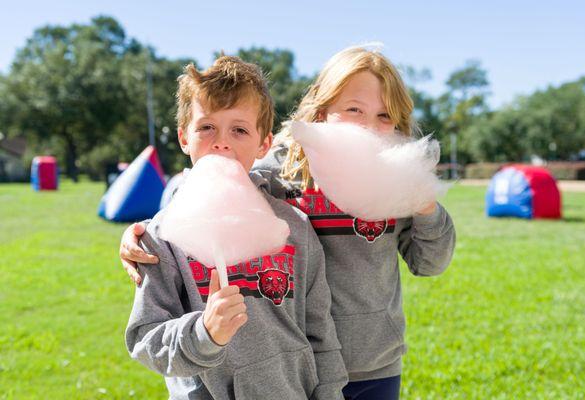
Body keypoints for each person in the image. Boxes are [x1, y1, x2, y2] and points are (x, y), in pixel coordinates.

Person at [122, 45, 456, 400]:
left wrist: (425, 207)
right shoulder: (283, 172)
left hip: (373, 363)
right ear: (322, 110)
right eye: (354, 110)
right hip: (298, 370)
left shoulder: (394, 182)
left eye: (384, 116)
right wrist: (142, 232)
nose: (369, 126)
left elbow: (429, 262)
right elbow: (221, 182)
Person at [125, 56, 347, 400]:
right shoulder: (161, 236)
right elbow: (144, 338)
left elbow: (320, 329)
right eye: (206, 127)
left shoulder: (294, 227)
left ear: (264, 143)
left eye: (239, 129)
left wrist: (330, 393)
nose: (221, 142)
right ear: (184, 137)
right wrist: (204, 333)